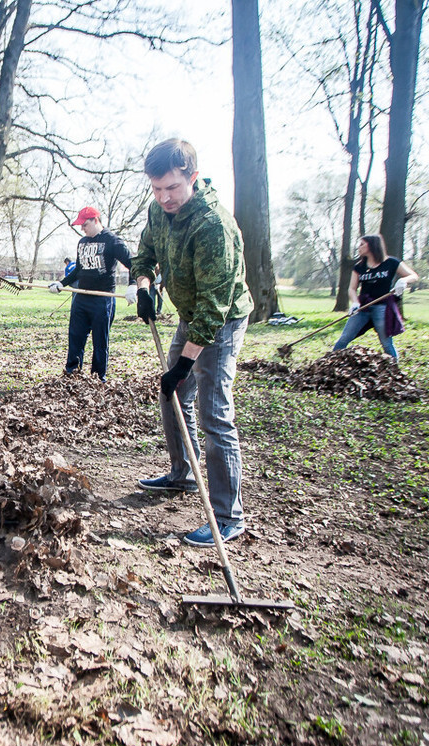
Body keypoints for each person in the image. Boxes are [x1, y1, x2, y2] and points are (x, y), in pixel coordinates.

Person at [132, 138, 252, 548]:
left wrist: (184, 364)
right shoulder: (158, 210)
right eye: (157, 188)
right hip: (190, 313)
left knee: (213, 413)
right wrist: (145, 286)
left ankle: (227, 515)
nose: (164, 197)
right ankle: (182, 474)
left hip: (221, 319)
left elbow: (214, 308)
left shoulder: (213, 225)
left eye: (173, 188)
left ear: (193, 178)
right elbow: (144, 253)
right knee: (171, 396)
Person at [48, 206, 133, 381]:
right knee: (76, 337)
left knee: (100, 342)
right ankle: (72, 373)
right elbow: (79, 269)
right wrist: (61, 283)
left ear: (95, 220)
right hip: (81, 297)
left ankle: (97, 378)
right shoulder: (83, 242)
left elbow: (133, 263)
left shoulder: (113, 241)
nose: (82, 228)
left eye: (85, 224)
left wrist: (133, 285)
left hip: (103, 299)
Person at [331, 234, 418, 359]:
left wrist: (404, 281)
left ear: (371, 245)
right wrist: (354, 303)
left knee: (386, 343)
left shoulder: (391, 262)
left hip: (382, 307)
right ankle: (331, 364)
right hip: (362, 308)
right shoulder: (359, 267)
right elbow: (352, 288)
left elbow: (413, 275)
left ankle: (395, 370)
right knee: (344, 339)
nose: (359, 247)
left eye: (362, 244)